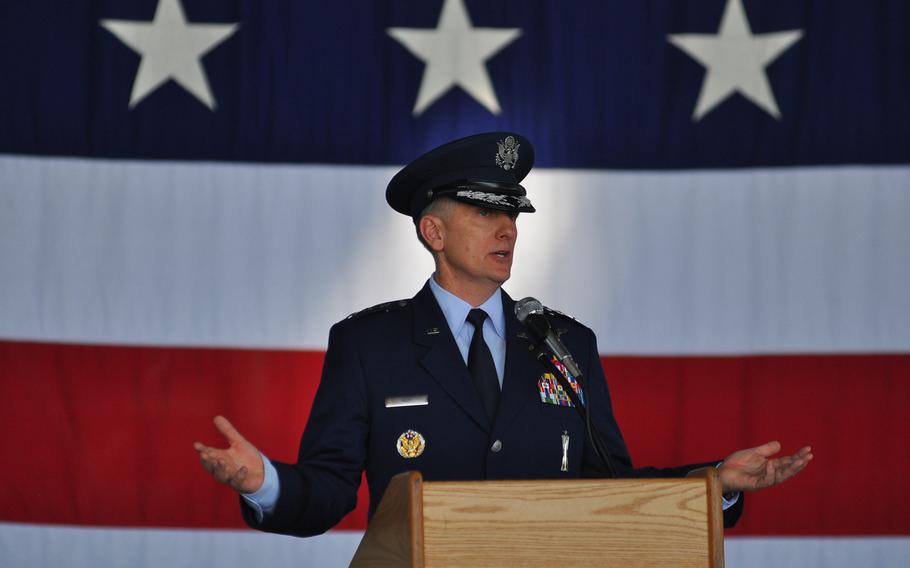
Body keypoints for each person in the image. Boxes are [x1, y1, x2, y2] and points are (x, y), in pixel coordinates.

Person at [194, 132, 813, 537]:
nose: (507, 228)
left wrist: (714, 485)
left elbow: (607, 490)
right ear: (433, 232)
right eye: (485, 211)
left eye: (512, 212)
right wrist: (265, 483)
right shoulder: (369, 345)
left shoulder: (564, 342)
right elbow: (328, 492)